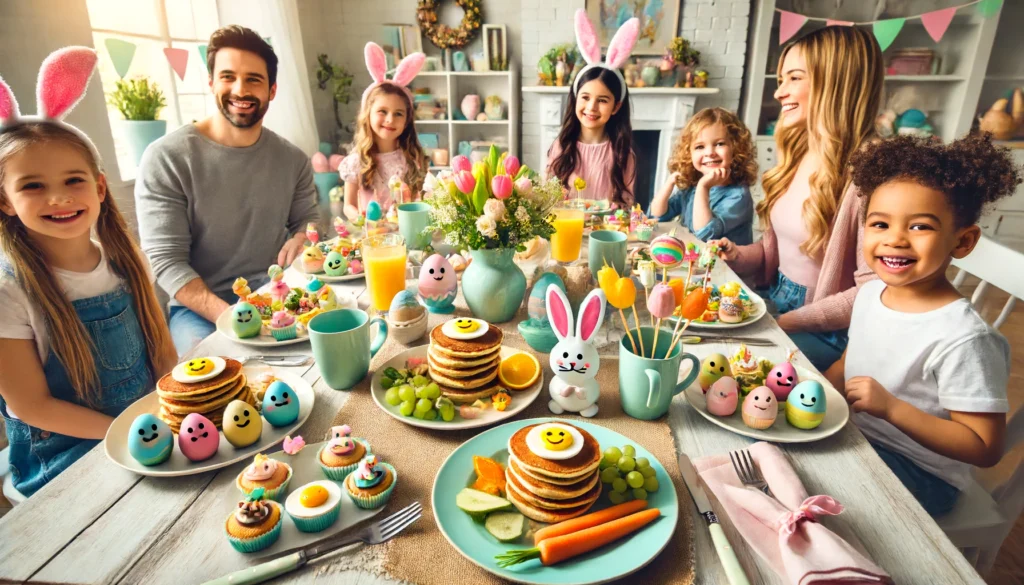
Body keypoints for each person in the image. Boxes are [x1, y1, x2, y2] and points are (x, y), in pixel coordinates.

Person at [0, 48, 176, 497]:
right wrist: (129, 432)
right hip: (62, 460)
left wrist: (178, 408)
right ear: (5, 201)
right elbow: (31, 405)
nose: (58, 198)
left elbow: (162, 355)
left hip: (146, 432)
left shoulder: (124, 261)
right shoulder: (9, 290)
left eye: (73, 181)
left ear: (99, 187)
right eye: (33, 186)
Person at [825, 134, 1021, 516]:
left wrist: (894, 409)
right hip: (858, 437)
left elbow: (984, 448)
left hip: (922, 473)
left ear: (962, 242)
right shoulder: (870, 295)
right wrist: (809, 387)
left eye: (919, 227)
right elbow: (845, 365)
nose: (895, 239)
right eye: (879, 224)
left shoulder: (965, 339)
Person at [136, 25, 319, 354]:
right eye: (228, 76)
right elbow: (166, 263)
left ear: (272, 90)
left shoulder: (293, 159)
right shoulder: (166, 158)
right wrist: (235, 317)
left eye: (253, 79)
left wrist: (301, 237)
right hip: (201, 313)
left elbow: (308, 220)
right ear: (211, 82)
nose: (240, 89)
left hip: (278, 295)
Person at [711, 26, 884, 371]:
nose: (779, 92)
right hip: (776, 302)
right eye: (781, 79)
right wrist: (738, 254)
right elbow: (779, 255)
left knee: (721, 366)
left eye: (794, 78)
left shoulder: (871, 169)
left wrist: (789, 322)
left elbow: (876, 291)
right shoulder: (801, 151)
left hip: (827, 332)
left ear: (835, 80)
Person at [546, 10, 638, 209]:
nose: (591, 107)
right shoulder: (561, 146)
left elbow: (627, 203)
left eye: (602, 100)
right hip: (568, 229)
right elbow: (547, 197)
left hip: (604, 234)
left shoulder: (622, 153)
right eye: (585, 97)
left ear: (616, 106)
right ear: (575, 99)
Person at [340, 43, 427, 220]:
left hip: (406, 237)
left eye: (398, 114)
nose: (390, 120)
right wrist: (358, 217)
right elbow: (348, 206)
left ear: (407, 120)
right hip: (373, 238)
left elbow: (422, 199)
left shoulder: (411, 157)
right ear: (368, 114)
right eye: (382, 111)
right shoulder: (357, 161)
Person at [649, 107, 756, 245]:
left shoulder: (738, 196)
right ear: (689, 153)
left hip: (726, 265)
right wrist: (668, 185)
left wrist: (703, 187)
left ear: (736, 148)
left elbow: (705, 233)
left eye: (719, 144)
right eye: (700, 147)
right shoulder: (692, 187)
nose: (710, 153)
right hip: (697, 259)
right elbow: (657, 216)